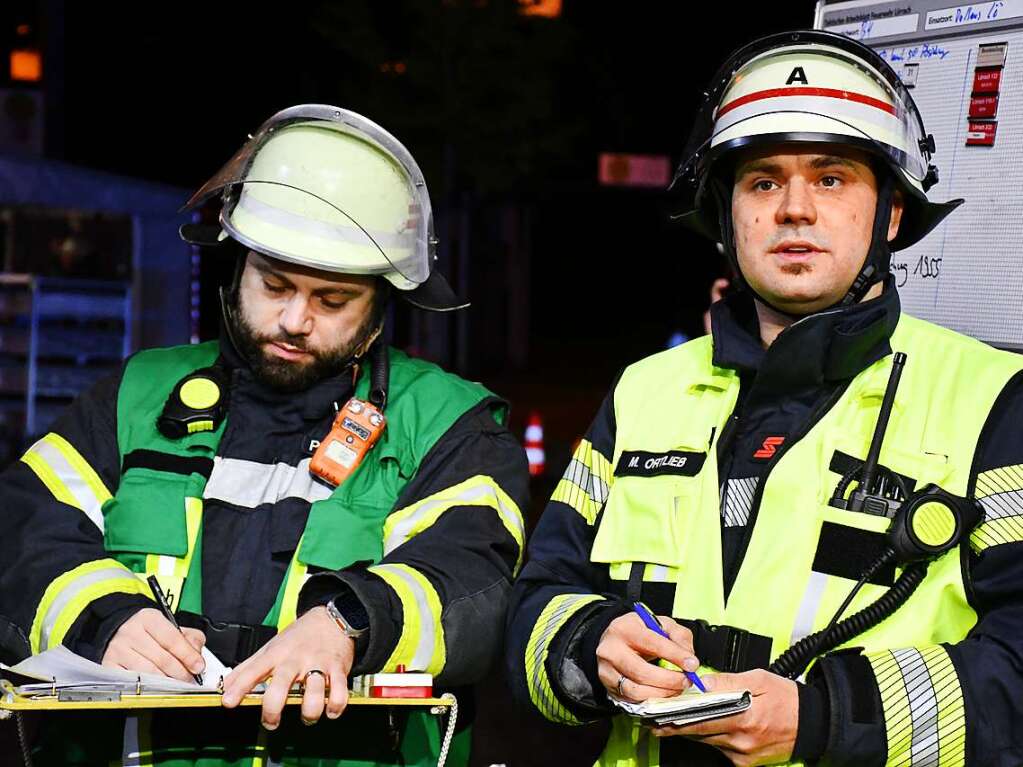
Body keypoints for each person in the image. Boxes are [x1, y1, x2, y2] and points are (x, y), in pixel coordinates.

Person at [506, 30, 1023, 767]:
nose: (793, 209)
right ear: (726, 216)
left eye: (832, 177)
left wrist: (821, 718)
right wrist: (591, 645)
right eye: (761, 181)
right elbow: (534, 602)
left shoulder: (992, 403)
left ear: (893, 214)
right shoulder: (644, 391)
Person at [0, 105, 528, 766]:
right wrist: (104, 616)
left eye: (333, 300)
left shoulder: (449, 424)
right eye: (273, 284)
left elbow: (472, 579)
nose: (295, 318)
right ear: (236, 268)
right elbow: (20, 527)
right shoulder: (134, 395)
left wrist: (349, 622)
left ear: (379, 305)